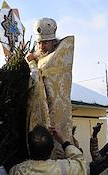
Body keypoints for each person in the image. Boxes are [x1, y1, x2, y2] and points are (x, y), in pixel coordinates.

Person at [25, 18, 75, 156]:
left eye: (45, 42)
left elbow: (38, 82)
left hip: (56, 118)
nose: (41, 47)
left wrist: (31, 64)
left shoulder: (57, 60)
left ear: (53, 42)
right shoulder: (41, 58)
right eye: (39, 43)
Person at [7, 125, 89, 175]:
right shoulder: (64, 169)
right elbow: (82, 163)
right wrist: (63, 141)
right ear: (52, 148)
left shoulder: (16, 172)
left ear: (29, 148)